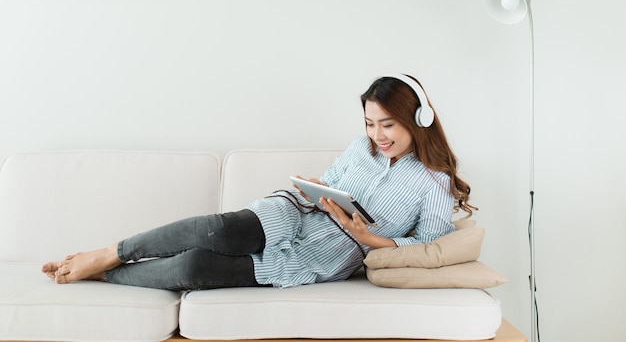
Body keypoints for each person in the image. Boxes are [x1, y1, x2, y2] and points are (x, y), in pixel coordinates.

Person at [42, 74, 475, 290]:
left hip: (328, 252)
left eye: (388, 126)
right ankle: (109, 252)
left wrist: (369, 238)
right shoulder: (360, 148)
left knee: (196, 266)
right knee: (222, 229)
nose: (377, 136)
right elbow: (333, 182)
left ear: (418, 122)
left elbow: (428, 246)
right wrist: (314, 187)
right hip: (297, 212)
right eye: (369, 124)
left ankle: (106, 274)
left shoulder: (433, 182)